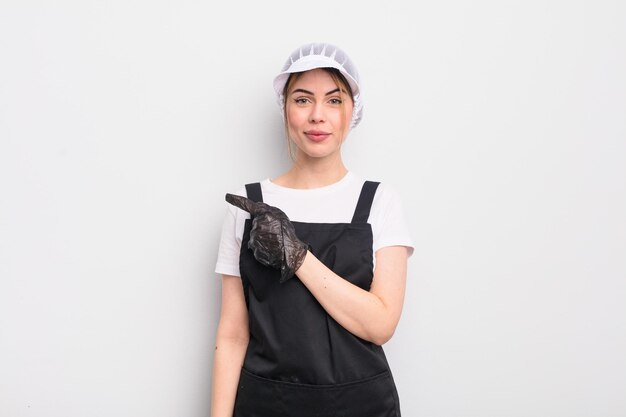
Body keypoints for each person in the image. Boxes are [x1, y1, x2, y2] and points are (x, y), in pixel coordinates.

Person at [211, 42, 414, 417]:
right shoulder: (248, 204)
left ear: (353, 110)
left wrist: (297, 256)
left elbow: (381, 324)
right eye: (303, 100)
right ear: (286, 110)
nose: (317, 115)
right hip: (266, 405)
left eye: (334, 101)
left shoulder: (380, 201)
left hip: (362, 406)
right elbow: (233, 333)